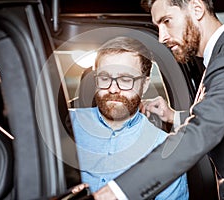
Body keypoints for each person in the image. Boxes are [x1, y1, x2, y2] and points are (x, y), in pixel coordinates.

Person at [93, 0, 224, 199]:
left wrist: (119, 190)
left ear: (197, 8)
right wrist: (173, 116)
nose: (162, 37)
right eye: (158, 27)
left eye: (167, 21)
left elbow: (201, 131)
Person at [69, 36, 189, 199]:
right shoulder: (63, 125)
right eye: (104, 78)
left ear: (145, 85)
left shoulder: (164, 148)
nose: (113, 89)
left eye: (125, 80)